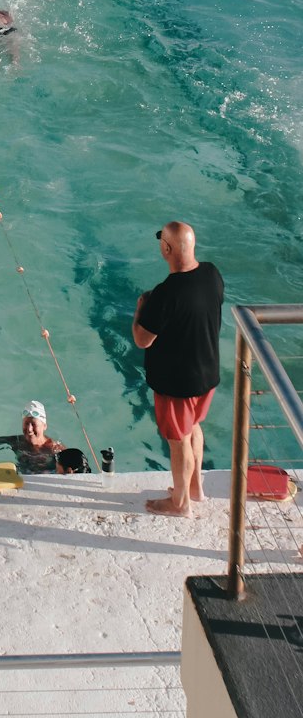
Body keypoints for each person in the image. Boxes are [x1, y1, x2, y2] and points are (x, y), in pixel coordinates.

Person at [133, 221, 223, 518]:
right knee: (193, 428)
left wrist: (140, 309)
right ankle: (195, 489)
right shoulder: (212, 275)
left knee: (178, 440)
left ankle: (180, 503)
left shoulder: (164, 294)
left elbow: (142, 339)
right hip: (206, 375)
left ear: (167, 249)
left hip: (177, 384)